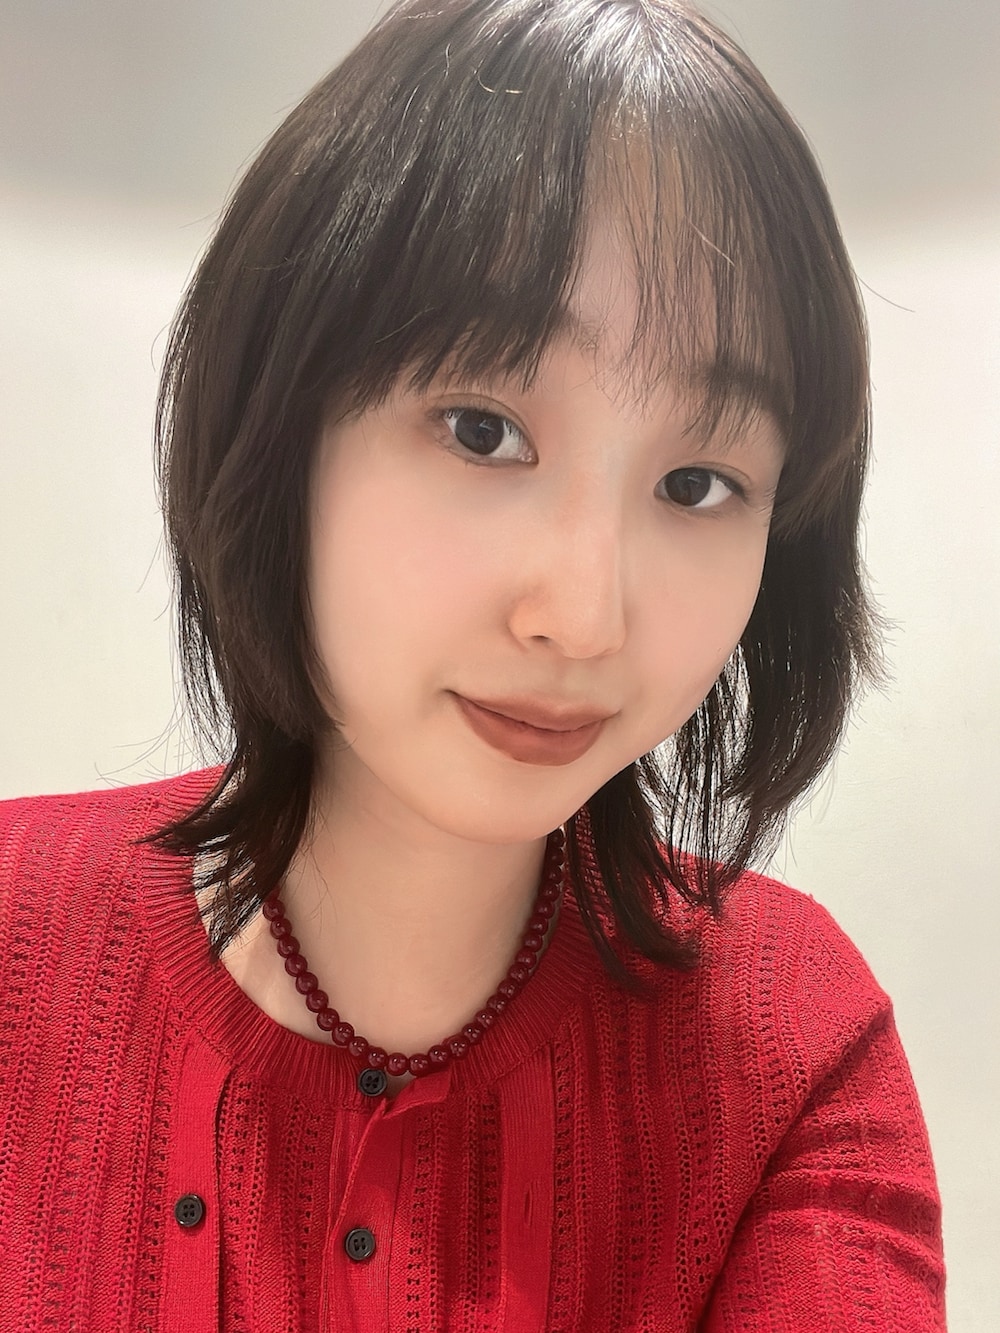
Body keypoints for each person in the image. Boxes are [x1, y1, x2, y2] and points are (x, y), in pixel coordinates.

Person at [0, 0, 946, 1328]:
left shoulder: (792, 1042)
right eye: (482, 428)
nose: (583, 616)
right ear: (282, 425)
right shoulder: (19, 938)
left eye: (697, 481)